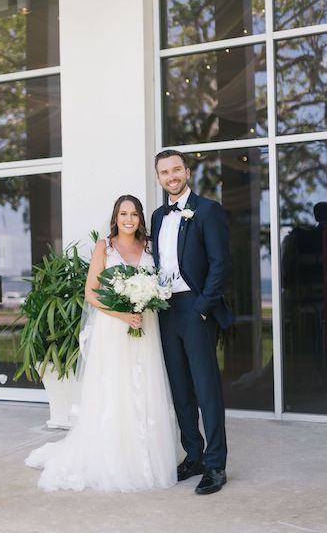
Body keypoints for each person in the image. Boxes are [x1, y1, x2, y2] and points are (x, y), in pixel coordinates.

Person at [25, 195, 177, 491]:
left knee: (146, 388)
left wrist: (145, 302)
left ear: (140, 218)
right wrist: (123, 314)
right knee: (116, 390)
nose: (129, 219)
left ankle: (145, 454)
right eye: (123, 213)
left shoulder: (148, 247)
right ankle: (116, 457)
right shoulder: (104, 247)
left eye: (134, 214)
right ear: (115, 217)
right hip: (114, 328)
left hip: (145, 327)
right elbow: (91, 294)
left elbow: (157, 283)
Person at [151, 149, 233, 495]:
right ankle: (194, 455)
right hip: (165, 310)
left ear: (186, 171)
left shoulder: (208, 210)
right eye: (163, 172)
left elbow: (220, 265)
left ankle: (215, 465)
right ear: (159, 178)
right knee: (180, 389)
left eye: (175, 170)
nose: (170, 177)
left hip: (195, 309)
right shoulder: (156, 216)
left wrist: (202, 307)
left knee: (206, 389)